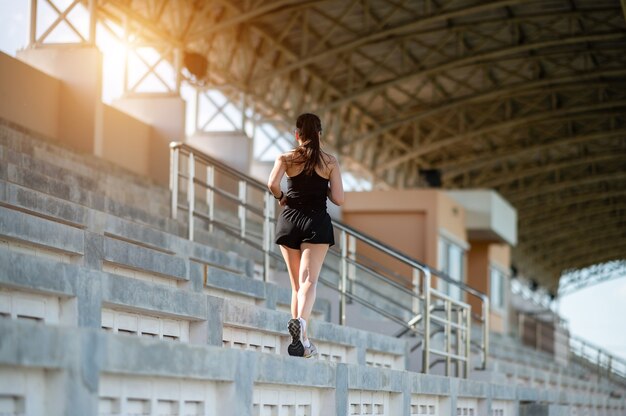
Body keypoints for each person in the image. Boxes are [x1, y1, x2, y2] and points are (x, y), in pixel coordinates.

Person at [267, 113, 344, 358]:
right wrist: (326, 188)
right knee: (309, 281)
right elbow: (339, 199)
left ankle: (303, 340)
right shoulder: (330, 161)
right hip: (316, 223)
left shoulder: (286, 158)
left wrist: (282, 198)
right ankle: (300, 324)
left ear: (297, 134)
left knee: (296, 285)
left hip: (289, 220)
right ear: (319, 134)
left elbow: (272, 184)